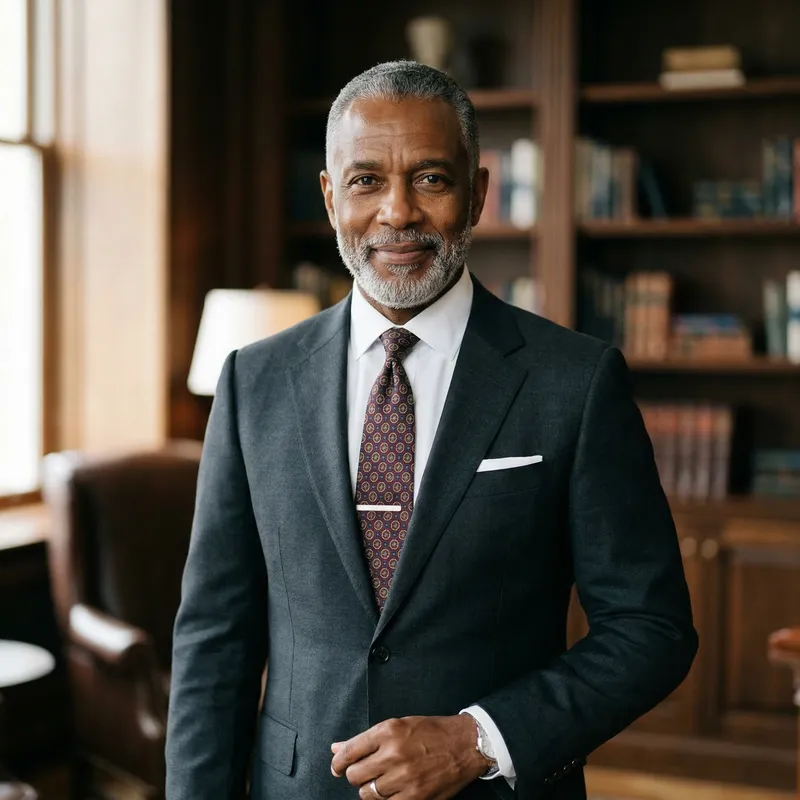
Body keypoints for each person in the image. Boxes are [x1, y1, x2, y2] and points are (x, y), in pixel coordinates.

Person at [165, 60, 697, 800]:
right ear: (329, 197)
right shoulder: (254, 381)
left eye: (431, 179)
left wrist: (482, 738)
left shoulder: (574, 382)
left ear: (477, 194)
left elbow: (652, 628)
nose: (397, 213)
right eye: (365, 181)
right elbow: (213, 641)